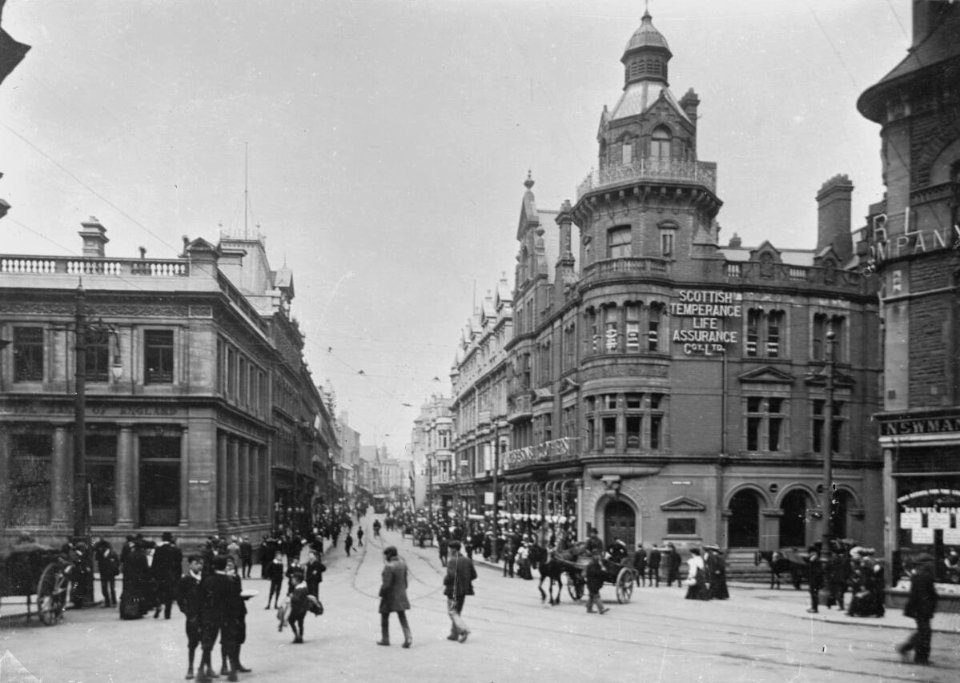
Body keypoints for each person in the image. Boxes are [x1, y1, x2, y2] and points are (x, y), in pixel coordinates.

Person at [196, 556, 245, 682]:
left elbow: (201, 599)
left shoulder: (208, 580)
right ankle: (233, 672)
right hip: (227, 616)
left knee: (208, 644)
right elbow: (234, 601)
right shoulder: (229, 581)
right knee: (229, 642)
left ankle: (201, 672)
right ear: (224, 566)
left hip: (211, 616)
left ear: (214, 566)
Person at [896, 554, 938, 665]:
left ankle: (910, 651)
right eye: (930, 563)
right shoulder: (921, 576)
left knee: (923, 632)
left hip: (922, 609)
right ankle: (919, 657)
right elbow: (921, 596)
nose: (932, 565)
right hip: (921, 609)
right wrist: (926, 610)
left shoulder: (924, 575)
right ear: (924, 564)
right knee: (925, 633)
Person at [377, 546, 412, 648]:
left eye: (386, 555)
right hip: (401, 594)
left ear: (389, 555)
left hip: (389, 596)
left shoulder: (389, 566)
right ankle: (408, 637)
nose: (385, 557)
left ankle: (385, 639)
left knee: (384, 616)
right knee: (402, 616)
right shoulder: (403, 564)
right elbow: (405, 583)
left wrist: (381, 593)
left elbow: (386, 584)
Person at [176, 555, 204, 680]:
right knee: (192, 643)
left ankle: (204, 668)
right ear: (190, 564)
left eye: (201, 563)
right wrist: (186, 611)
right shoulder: (185, 580)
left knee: (206, 643)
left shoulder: (205, 578)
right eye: (196, 563)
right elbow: (179, 598)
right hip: (192, 616)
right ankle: (190, 667)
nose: (199, 565)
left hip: (204, 615)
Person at [443, 540, 477, 642]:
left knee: (452, 611)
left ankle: (463, 630)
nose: (449, 551)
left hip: (453, 591)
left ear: (453, 550)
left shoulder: (452, 561)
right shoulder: (467, 560)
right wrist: (465, 580)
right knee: (457, 612)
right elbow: (474, 575)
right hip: (464, 590)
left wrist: (445, 581)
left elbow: (451, 576)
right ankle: (454, 634)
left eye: (450, 549)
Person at [152, 532, 183, 619]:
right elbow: (178, 564)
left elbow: (154, 564)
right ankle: (167, 613)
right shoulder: (175, 550)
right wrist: (178, 576)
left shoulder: (158, 549)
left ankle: (158, 607)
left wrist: (153, 575)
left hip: (160, 575)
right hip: (170, 576)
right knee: (169, 594)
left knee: (159, 592)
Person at [97, 540, 120, 608]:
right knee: (105, 588)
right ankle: (108, 602)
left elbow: (118, 562)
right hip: (104, 572)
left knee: (111, 588)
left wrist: (113, 567)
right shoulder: (101, 554)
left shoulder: (113, 553)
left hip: (110, 572)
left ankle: (113, 602)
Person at [806, 546, 824, 614]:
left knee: (814, 594)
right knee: (812, 594)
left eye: (811, 553)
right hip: (812, 580)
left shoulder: (816, 561)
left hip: (815, 581)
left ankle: (814, 608)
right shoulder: (812, 561)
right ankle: (813, 607)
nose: (810, 554)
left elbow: (818, 572)